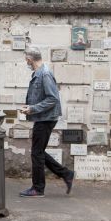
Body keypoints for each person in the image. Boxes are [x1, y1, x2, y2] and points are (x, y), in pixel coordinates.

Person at [19, 46, 74, 197]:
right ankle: (66, 174)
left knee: (37, 153)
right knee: (39, 152)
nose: (26, 62)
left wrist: (32, 109)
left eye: (26, 59)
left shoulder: (45, 74)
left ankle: (38, 188)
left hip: (46, 119)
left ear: (30, 59)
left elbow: (52, 99)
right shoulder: (39, 73)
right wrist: (30, 107)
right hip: (43, 118)